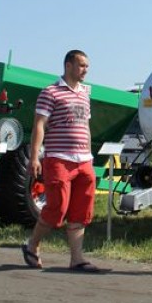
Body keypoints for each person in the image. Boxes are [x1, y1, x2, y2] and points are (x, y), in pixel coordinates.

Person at [21, 49, 102, 272]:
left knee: (82, 209)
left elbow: (85, 125)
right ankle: (32, 245)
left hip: (84, 160)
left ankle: (77, 258)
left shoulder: (85, 93)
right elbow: (39, 125)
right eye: (82, 65)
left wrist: (88, 152)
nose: (86, 69)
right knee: (57, 207)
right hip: (58, 158)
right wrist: (35, 156)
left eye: (87, 65)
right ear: (68, 66)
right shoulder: (50, 92)